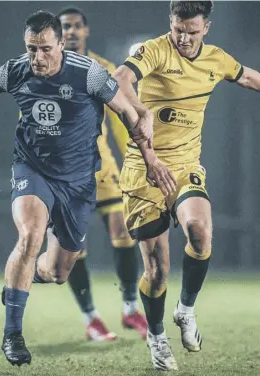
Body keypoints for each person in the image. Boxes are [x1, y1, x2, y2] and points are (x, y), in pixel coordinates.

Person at [0, 11, 177, 367]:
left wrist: (151, 161)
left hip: (78, 183)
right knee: (30, 235)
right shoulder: (15, 70)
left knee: (58, 272)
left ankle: (21, 283)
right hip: (32, 169)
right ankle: (13, 335)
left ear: (61, 44)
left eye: (44, 49)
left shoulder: (88, 73)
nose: (37, 57)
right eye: (31, 49)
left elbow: (128, 112)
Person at [113, 1, 260, 371]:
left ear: (206, 28)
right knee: (157, 270)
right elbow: (120, 79)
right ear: (171, 23)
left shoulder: (216, 59)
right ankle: (157, 337)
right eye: (178, 29)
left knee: (199, 231)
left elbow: (247, 77)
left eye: (192, 31)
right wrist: (143, 112)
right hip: (143, 170)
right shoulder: (155, 50)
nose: (183, 38)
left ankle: (186, 309)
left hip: (185, 167)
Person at [57, 7, 148, 342]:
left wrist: (137, 162)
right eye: (65, 27)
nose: (71, 32)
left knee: (123, 228)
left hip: (102, 168)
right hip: (65, 176)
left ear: (86, 30)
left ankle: (128, 308)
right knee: (74, 249)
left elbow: (122, 122)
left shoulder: (102, 69)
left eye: (76, 26)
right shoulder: (47, 69)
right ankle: (91, 317)